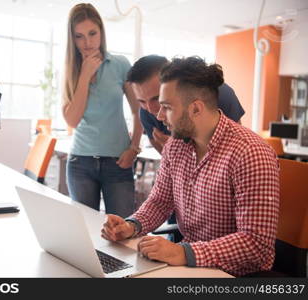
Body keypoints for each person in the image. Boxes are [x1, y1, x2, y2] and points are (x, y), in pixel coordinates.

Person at [101, 56, 280, 277]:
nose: (157, 115)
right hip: (189, 266)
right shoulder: (176, 146)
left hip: (236, 274)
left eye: (166, 107)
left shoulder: (250, 153)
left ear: (195, 109)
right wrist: (131, 226)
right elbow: (160, 201)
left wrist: (184, 252)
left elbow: (256, 244)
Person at [62, 3, 142, 218]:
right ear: (72, 39)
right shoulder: (70, 70)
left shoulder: (120, 64)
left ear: (101, 32)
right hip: (81, 163)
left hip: (118, 162)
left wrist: (134, 148)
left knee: (122, 232)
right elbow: (72, 120)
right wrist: (85, 75)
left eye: (92, 33)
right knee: (87, 233)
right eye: (79, 36)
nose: (87, 43)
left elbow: (138, 110)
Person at [127, 55, 245, 154]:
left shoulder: (220, 93)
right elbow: (166, 160)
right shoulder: (145, 112)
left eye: (157, 98)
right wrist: (173, 150)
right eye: (141, 101)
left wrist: (183, 148)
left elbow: (237, 142)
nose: (151, 110)